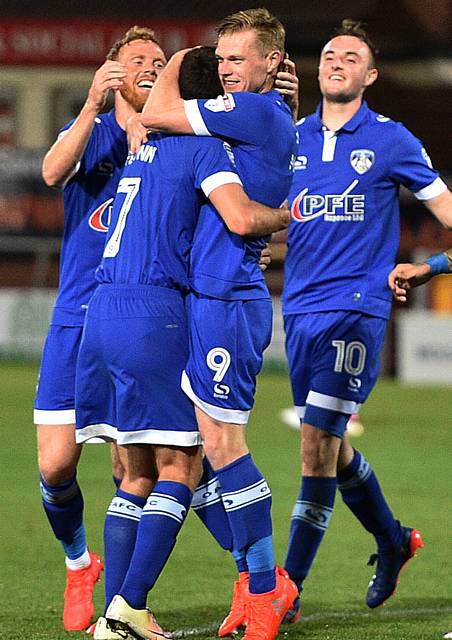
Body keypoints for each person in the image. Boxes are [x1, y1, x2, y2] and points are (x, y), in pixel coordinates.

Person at [74, 46, 292, 640]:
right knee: (184, 462)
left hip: (101, 313)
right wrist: (289, 216)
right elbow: (242, 218)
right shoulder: (202, 148)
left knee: (133, 468)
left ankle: (118, 610)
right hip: (156, 310)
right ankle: (130, 608)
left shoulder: (137, 151)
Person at [280, 19, 452, 621]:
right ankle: (393, 538)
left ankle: (286, 589)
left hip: (358, 311)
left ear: (370, 75)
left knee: (316, 443)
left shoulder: (391, 138)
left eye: (352, 56)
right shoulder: (291, 139)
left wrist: (434, 266)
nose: (337, 61)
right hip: (298, 311)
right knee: (328, 447)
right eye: (329, 54)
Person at [35, 26, 167, 631]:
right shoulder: (93, 131)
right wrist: (91, 104)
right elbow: (51, 171)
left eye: (158, 61)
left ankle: (122, 603)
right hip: (76, 318)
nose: (150, 65)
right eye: (136, 58)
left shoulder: (170, 138)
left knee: (129, 465)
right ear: (112, 71)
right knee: (57, 466)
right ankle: (77, 562)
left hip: (134, 323)